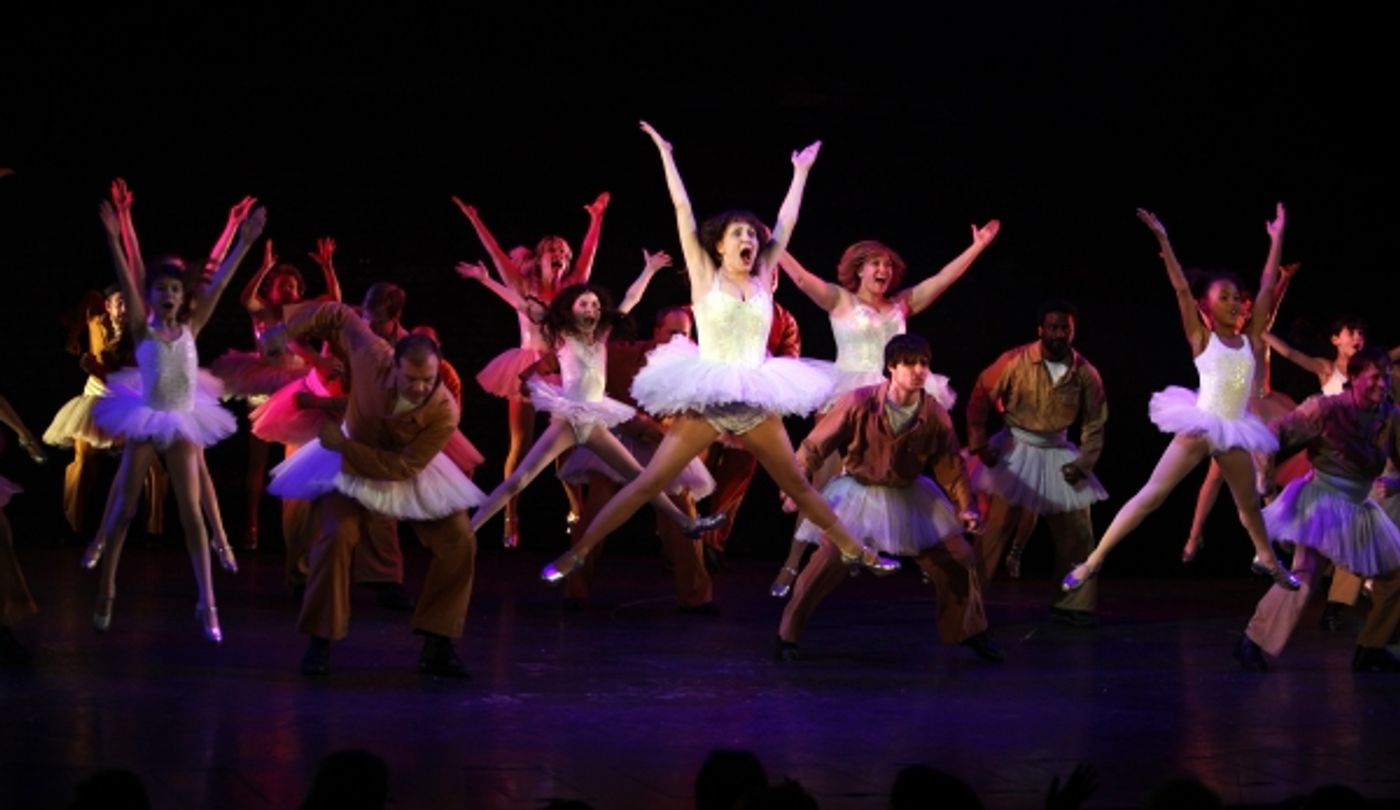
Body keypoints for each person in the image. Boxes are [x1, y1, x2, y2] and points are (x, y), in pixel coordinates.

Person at [542, 121, 899, 583]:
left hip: (755, 398)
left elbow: (787, 224)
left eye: (752, 235)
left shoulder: (764, 272)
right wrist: (666, 155)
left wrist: (800, 172)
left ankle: (858, 552)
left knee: (799, 487)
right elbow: (682, 209)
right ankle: (579, 552)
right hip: (709, 398)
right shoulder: (703, 275)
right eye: (738, 235)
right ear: (719, 244)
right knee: (650, 482)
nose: (749, 241)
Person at [1063, 206, 1301, 593]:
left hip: (1235, 429)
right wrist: (1164, 239)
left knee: (1248, 506)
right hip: (1201, 422)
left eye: (1236, 297)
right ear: (1206, 308)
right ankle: (1094, 560)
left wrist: (1276, 239)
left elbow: (1266, 284)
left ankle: (1268, 559)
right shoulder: (1202, 338)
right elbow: (1179, 287)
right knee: (1151, 495)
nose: (1235, 302)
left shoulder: (1252, 338)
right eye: (1224, 297)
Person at [766, 226, 998, 596]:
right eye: (875, 263)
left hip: (893, 397)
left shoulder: (901, 304)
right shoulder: (839, 299)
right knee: (822, 485)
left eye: (888, 265)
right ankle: (793, 565)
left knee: (898, 477)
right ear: (859, 269)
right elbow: (798, 276)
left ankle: (922, 553)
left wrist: (977, 247)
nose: (883, 270)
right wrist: (772, 243)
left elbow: (942, 279)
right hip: (848, 397)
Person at [83, 186, 263, 642]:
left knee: (192, 515)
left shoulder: (191, 327)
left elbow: (219, 283)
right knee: (124, 509)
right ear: (153, 295)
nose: (167, 294)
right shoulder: (142, 328)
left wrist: (244, 243)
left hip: (182, 419)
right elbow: (129, 273)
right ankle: (106, 588)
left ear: (183, 298)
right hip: (147, 418)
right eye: (161, 288)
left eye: (174, 289)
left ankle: (207, 601)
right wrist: (114, 235)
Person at [269, 304, 483, 678]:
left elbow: (404, 468)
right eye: (411, 379)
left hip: (403, 466)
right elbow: (335, 314)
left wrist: (343, 446)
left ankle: (438, 642)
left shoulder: (444, 410)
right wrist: (284, 330)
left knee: (459, 539)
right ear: (394, 365)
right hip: (350, 463)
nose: (419, 388)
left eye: (427, 380)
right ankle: (320, 641)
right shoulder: (371, 355)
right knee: (337, 535)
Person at [777, 334, 1003, 663]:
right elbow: (815, 446)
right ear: (891, 367)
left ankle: (969, 630)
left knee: (959, 557)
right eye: (910, 363)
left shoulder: (934, 413)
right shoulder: (859, 401)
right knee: (826, 562)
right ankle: (788, 635)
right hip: (859, 492)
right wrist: (793, 488)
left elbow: (951, 466)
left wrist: (965, 508)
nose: (919, 370)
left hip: (907, 493)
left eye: (924, 363)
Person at [454, 192, 609, 545]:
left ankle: (577, 513)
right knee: (520, 444)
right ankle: (510, 513)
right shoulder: (523, 286)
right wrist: (475, 217)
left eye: (565, 254)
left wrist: (597, 218)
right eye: (554, 251)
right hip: (526, 364)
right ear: (540, 257)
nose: (561, 256)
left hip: (561, 368)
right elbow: (494, 254)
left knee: (564, 446)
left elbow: (589, 254)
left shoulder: (572, 289)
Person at [1234, 348, 1400, 672]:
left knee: (1393, 576)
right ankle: (1252, 641)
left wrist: (1396, 484)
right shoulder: (1326, 408)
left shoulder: (1390, 415)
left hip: (1359, 506)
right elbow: (1275, 432)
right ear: (1353, 378)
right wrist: (1264, 481)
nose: (1382, 384)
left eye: (1386, 377)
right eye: (1374, 377)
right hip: (1322, 502)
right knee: (1305, 576)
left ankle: (1372, 646)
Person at [966, 299, 1108, 625]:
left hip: (1057, 449)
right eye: (1053, 327)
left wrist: (1084, 463)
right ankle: (969, 601)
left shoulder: (1085, 372)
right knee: (994, 530)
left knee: (1077, 531)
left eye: (1065, 328)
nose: (1059, 334)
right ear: (1040, 330)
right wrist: (978, 443)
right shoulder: (1014, 361)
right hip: (1016, 449)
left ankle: (1073, 604)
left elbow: (1095, 423)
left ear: (1073, 331)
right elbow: (980, 394)